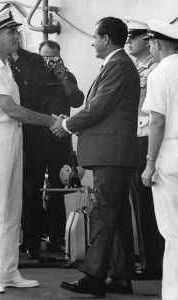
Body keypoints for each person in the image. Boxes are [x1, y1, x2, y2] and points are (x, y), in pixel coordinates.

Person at [51, 17, 140, 297]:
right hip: (114, 153)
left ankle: (94, 277)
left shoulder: (118, 66)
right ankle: (120, 277)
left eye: (94, 37)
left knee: (104, 214)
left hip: (112, 154)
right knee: (116, 214)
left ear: (105, 39)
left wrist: (66, 125)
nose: (92, 42)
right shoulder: (118, 65)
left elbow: (98, 108)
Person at [0, 8, 55, 294]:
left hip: (11, 137)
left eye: (17, 31)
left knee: (10, 209)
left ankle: (6, 271)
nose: (16, 36)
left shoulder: (6, 66)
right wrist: (51, 121)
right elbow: (10, 108)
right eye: (11, 32)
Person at [9, 38, 84, 259]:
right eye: (45, 58)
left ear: (60, 57)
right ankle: (31, 239)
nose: (49, 63)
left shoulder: (66, 76)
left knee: (56, 191)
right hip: (33, 139)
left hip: (59, 141)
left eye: (53, 58)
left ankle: (55, 237)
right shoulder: (30, 76)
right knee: (30, 190)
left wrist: (62, 75)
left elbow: (77, 100)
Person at [142, 20, 178, 300]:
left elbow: (157, 121)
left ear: (157, 43)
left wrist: (150, 163)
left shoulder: (160, 73)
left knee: (172, 232)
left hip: (170, 154)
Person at [124, 19, 163, 276]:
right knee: (139, 202)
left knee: (147, 204)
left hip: (147, 138)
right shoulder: (136, 68)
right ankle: (149, 259)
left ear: (148, 41)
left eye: (133, 37)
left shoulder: (157, 69)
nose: (128, 41)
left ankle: (154, 263)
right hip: (135, 138)